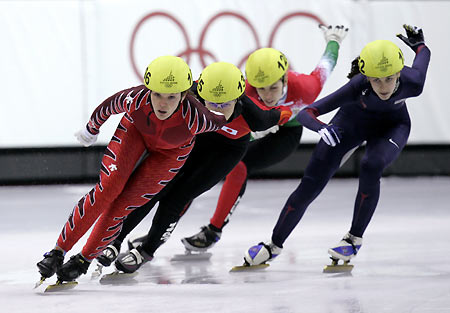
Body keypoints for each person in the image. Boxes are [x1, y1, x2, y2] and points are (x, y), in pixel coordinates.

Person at [243, 25, 431, 267]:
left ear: (399, 73)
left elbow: (424, 57)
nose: (383, 87)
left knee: (371, 164)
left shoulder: (413, 82)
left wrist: (420, 46)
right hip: (350, 124)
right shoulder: (358, 86)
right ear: (366, 76)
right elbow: (307, 113)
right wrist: (320, 127)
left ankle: (354, 238)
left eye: (390, 79)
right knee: (310, 185)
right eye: (375, 80)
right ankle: (274, 245)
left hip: (393, 126)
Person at [36, 55, 230, 283]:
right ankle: (58, 251)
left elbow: (228, 118)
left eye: (171, 96)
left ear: (184, 95)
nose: (162, 103)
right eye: (156, 94)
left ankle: (83, 260)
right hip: (134, 133)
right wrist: (91, 130)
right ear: (148, 89)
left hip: (170, 154)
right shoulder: (135, 99)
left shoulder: (199, 118)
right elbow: (107, 107)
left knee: (122, 206)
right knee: (109, 188)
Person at [93, 61, 292, 273]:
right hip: (196, 140)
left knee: (177, 199)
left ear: (238, 98)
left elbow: (289, 112)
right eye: (211, 103)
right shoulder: (191, 90)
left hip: (225, 152)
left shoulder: (258, 117)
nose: (216, 111)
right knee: (151, 188)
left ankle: (147, 250)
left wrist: (275, 124)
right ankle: (115, 239)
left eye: (224, 104)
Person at [182, 24, 349, 252]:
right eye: (261, 89)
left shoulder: (306, 88)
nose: (268, 95)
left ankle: (213, 231)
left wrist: (333, 41)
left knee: (240, 165)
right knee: (206, 165)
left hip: (286, 131)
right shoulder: (244, 90)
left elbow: (326, 65)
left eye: (273, 87)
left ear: (285, 81)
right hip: (255, 124)